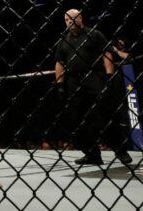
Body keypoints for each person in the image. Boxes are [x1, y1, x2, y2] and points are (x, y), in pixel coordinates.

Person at [54, 9, 132, 165]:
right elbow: (59, 63)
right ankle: (92, 154)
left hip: (94, 76)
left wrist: (109, 76)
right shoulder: (63, 41)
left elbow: (107, 54)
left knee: (106, 115)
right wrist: (60, 85)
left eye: (73, 18)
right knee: (77, 120)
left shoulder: (94, 34)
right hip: (74, 81)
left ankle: (121, 151)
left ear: (80, 18)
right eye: (67, 19)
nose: (70, 21)